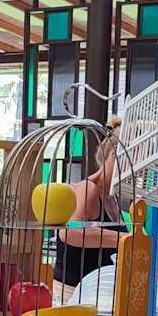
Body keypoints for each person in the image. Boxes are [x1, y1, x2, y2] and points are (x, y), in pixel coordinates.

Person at [53, 124, 125, 291]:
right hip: (71, 293)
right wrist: (125, 239)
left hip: (97, 293)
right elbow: (69, 232)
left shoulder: (113, 198)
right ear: (115, 155)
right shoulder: (88, 188)